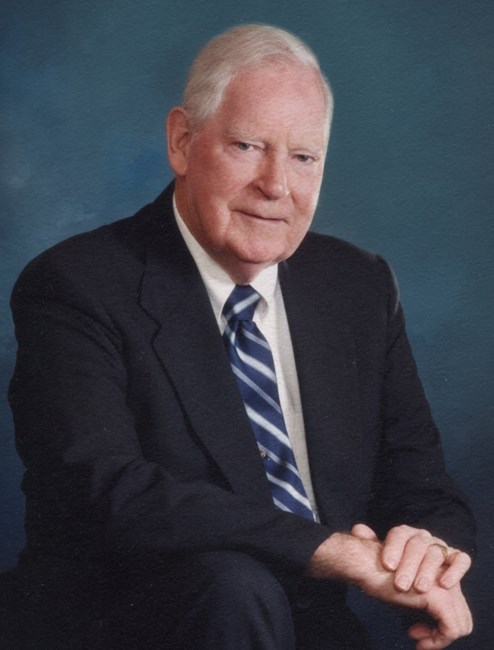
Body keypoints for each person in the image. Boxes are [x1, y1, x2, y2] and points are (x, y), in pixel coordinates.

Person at [5, 24, 475, 650]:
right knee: (233, 584)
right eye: (248, 146)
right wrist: (331, 550)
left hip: (313, 626)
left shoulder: (357, 285)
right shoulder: (78, 283)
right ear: (182, 141)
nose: (276, 185)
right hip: (131, 623)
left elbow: (423, 487)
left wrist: (425, 549)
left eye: (304, 157)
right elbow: (106, 490)